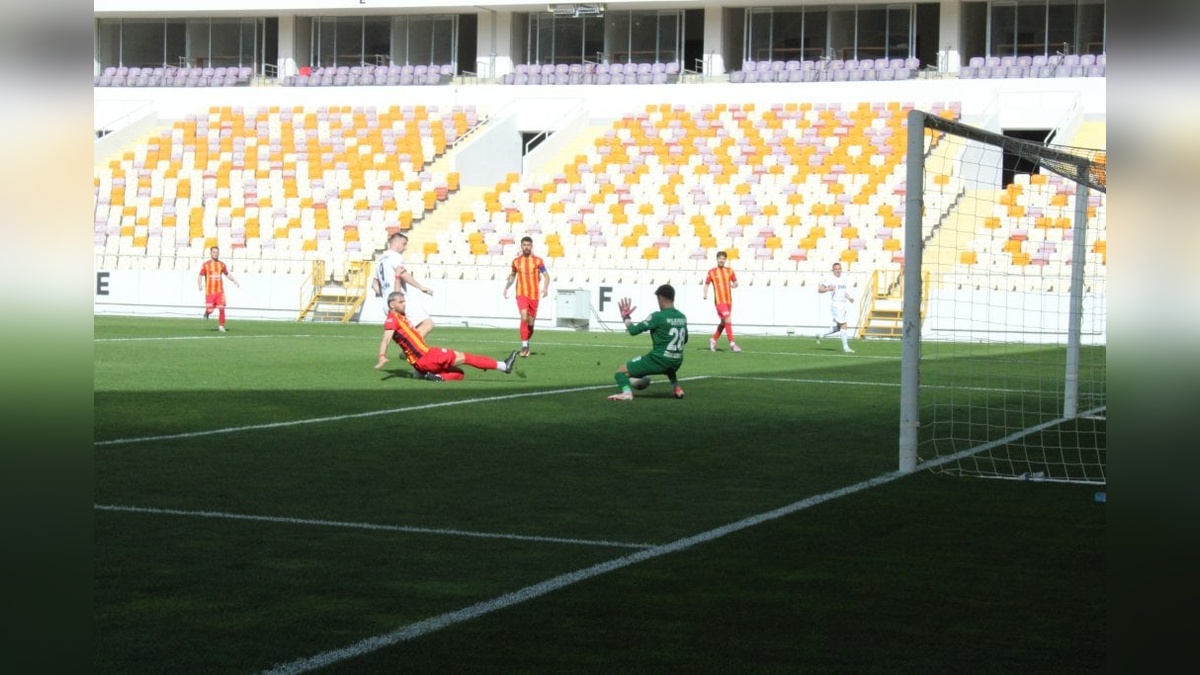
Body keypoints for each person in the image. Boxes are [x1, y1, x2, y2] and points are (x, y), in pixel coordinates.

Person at [375, 291, 518, 381]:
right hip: (427, 357)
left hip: (421, 363)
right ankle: (504, 366)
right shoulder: (392, 319)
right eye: (401, 302)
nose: (404, 304)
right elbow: (386, 338)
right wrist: (382, 356)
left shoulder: (401, 316)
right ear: (392, 305)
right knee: (466, 357)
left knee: (459, 374)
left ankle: (436, 377)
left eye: (404, 301)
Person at [608, 284, 687, 401]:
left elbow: (633, 331)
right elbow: (685, 339)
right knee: (669, 367)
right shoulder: (682, 317)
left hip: (659, 360)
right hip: (677, 361)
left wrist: (626, 317)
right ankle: (677, 388)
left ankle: (627, 394)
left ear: (660, 298)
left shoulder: (658, 316)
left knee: (620, 373)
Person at [371, 232, 435, 337]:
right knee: (428, 324)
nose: (405, 248)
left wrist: (386, 296)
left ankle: (409, 350)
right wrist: (421, 287)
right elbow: (403, 274)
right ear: (396, 242)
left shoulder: (381, 260)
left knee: (410, 330)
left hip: (387, 304)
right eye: (404, 244)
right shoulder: (395, 256)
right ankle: (410, 351)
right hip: (400, 300)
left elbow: (374, 284)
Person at [502, 235, 551, 357]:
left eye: (528, 245)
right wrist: (507, 287)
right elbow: (512, 275)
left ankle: (526, 342)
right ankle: (524, 346)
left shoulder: (538, 261)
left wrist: (545, 288)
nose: (526, 247)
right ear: (521, 246)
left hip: (534, 295)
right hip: (521, 293)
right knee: (524, 317)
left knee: (530, 323)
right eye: (524, 245)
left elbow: (546, 276)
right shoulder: (516, 261)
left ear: (531, 246)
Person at [702, 250, 741, 353]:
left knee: (724, 322)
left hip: (729, 301)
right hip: (719, 302)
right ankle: (732, 344)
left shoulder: (729, 271)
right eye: (720, 258)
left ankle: (713, 339)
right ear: (717, 259)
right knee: (728, 318)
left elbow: (736, 283)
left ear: (725, 260)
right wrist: (705, 294)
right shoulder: (712, 272)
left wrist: (734, 285)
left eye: (723, 259)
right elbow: (706, 284)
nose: (721, 260)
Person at [817, 261, 856, 353]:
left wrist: (849, 298)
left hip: (843, 304)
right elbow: (820, 289)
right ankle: (845, 347)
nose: (838, 271)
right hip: (836, 304)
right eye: (836, 269)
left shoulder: (843, 279)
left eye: (839, 269)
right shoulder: (830, 279)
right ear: (833, 270)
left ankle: (821, 335)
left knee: (839, 327)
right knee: (844, 325)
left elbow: (843, 291)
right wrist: (828, 289)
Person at [198, 245, 239, 332]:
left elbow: (227, 273)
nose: (215, 254)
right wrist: (200, 284)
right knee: (210, 309)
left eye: (217, 252)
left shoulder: (222, 264)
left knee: (221, 308)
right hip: (210, 292)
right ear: (211, 253)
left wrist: (234, 280)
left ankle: (221, 326)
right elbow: (200, 275)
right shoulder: (206, 265)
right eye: (214, 252)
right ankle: (207, 312)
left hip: (220, 291)